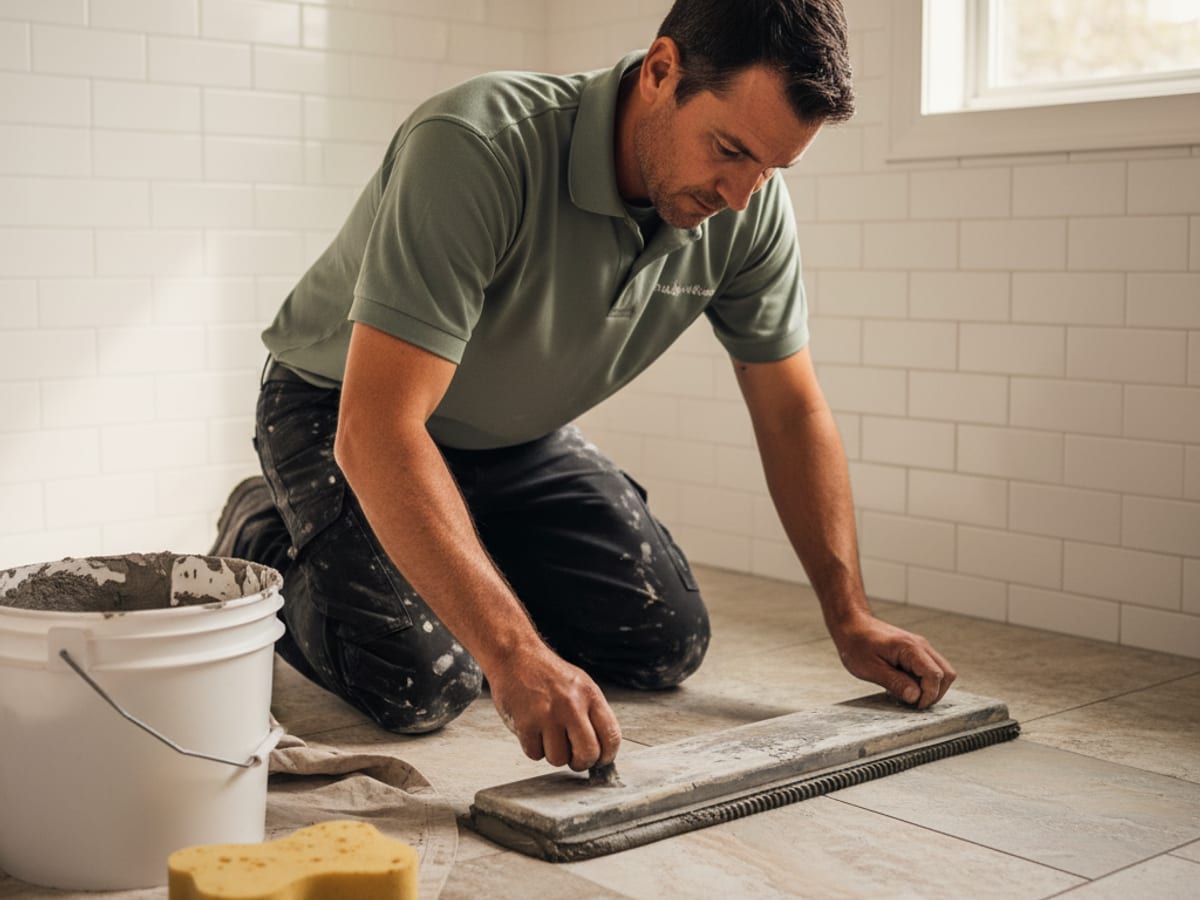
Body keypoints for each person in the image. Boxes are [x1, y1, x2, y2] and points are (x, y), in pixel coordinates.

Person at [212, 0, 957, 776]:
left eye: (772, 166)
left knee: (664, 642)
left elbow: (792, 411)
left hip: (512, 438)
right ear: (661, 70)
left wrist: (849, 615)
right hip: (342, 412)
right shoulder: (475, 146)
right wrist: (514, 653)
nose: (741, 196)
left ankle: (452, 539)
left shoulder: (748, 202)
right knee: (423, 682)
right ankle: (262, 531)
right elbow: (380, 430)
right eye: (729, 150)